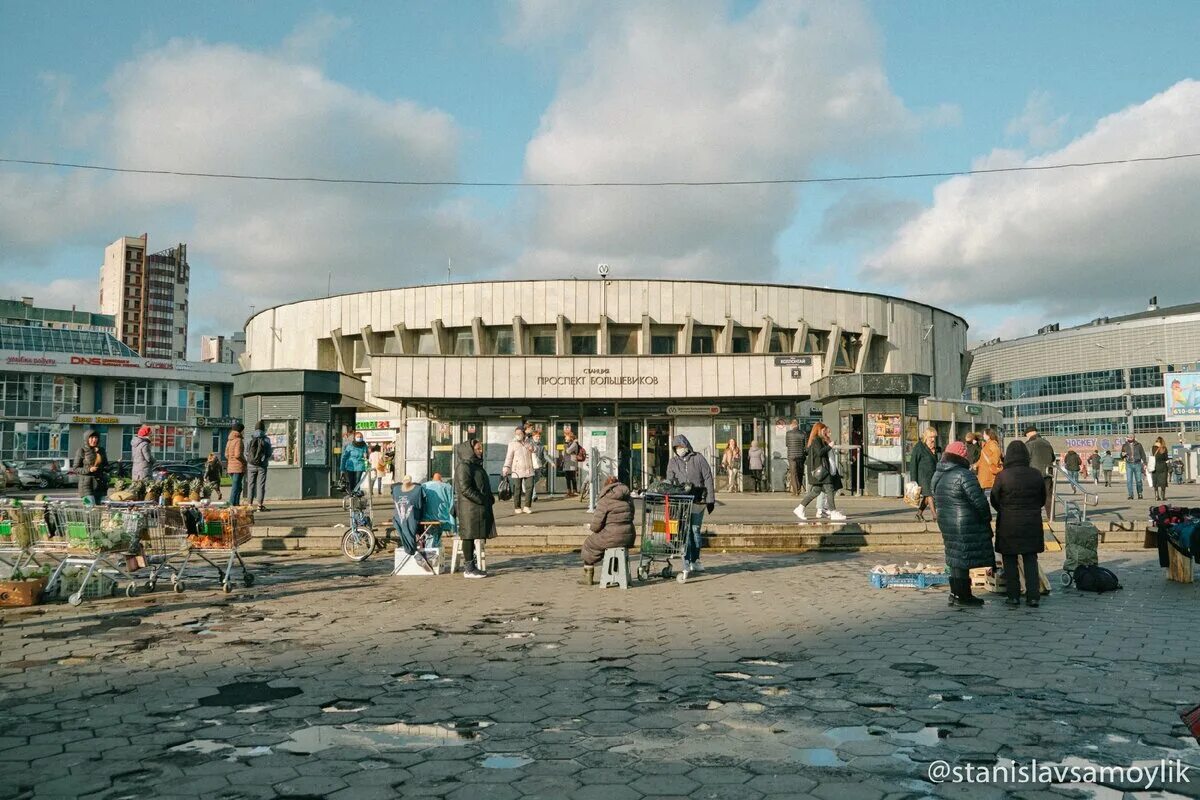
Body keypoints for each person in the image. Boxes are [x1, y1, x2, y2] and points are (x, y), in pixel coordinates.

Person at [932, 440, 993, 607]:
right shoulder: (963, 474)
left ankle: (955, 594)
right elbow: (979, 501)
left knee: (954, 557)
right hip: (963, 523)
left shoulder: (938, 473)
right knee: (963, 557)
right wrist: (986, 518)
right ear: (962, 456)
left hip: (946, 521)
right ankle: (964, 596)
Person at [991, 440, 1047, 608]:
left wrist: (1004, 508)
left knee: (1009, 560)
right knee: (1030, 559)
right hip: (1031, 522)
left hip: (1009, 523)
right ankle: (1033, 596)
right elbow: (1042, 499)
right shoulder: (1036, 474)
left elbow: (994, 499)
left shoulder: (1003, 475)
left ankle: (1013, 596)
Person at [666, 435, 716, 574]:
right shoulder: (673, 462)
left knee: (695, 530)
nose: (679, 450)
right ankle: (686, 560)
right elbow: (670, 479)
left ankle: (696, 559)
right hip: (682, 501)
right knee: (685, 532)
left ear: (686, 445)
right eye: (676, 448)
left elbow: (707, 477)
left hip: (697, 501)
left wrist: (710, 499)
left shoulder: (698, 458)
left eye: (680, 447)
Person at [580, 477, 637, 585]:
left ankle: (588, 576)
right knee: (613, 547)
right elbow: (632, 516)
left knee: (589, 544)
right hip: (628, 535)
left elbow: (596, 526)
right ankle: (615, 573)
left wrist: (592, 528)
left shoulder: (605, 500)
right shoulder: (628, 498)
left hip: (611, 535)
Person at [453, 440, 495, 578]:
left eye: (481, 448)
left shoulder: (476, 465)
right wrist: (481, 499)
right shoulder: (463, 466)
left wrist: (489, 498)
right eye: (477, 448)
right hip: (469, 508)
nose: (480, 450)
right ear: (470, 450)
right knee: (468, 536)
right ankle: (469, 568)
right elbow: (465, 488)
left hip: (477, 508)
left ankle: (473, 564)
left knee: (475, 535)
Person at [794, 422, 847, 522]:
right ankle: (833, 512)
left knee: (816, 491)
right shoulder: (816, 440)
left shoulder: (816, 440)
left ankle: (800, 508)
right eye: (823, 430)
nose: (825, 431)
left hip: (819, 470)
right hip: (821, 470)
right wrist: (830, 446)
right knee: (829, 489)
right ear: (818, 430)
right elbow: (820, 452)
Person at [391, 475, 430, 570]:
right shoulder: (396, 490)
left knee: (415, 534)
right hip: (400, 520)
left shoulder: (418, 489)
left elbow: (422, 505)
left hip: (414, 519)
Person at [1024, 426, 1056, 522]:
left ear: (1029, 434)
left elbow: (1025, 459)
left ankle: (1035, 517)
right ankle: (1051, 517)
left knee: (1033, 496)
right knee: (1048, 496)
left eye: (1026, 435)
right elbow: (1053, 458)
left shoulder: (1029, 444)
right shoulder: (1047, 443)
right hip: (1048, 474)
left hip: (1034, 474)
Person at [502, 426, 536, 514]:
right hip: (517, 469)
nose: (518, 435)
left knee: (530, 487)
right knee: (517, 488)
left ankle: (527, 506)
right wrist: (506, 467)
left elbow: (536, 449)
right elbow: (509, 457)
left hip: (528, 468)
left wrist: (532, 448)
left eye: (520, 433)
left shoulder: (529, 441)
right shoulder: (512, 444)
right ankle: (517, 507)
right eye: (516, 434)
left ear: (524, 434)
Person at [909, 427, 939, 522]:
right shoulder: (919, 447)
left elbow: (935, 462)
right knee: (929, 495)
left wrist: (934, 453)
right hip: (922, 476)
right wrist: (913, 480)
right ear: (926, 436)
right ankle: (935, 516)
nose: (933, 439)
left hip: (932, 476)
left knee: (927, 497)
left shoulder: (934, 448)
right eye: (931, 437)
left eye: (934, 437)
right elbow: (913, 463)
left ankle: (919, 514)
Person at [420, 472, 456, 550]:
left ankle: (432, 551)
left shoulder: (424, 486)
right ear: (441, 478)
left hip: (427, 516)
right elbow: (451, 504)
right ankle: (432, 551)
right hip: (442, 516)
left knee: (431, 534)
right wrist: (452, 523)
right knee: (436, 534)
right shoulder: (447, 487)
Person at [244, 420, 273, 511]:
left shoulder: (250, 439)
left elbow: (246, 453)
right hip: (262, 466)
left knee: (250, 485)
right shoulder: (266, 439)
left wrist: (250, 461)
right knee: (261, 485)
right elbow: (269, 453)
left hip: (251, 465)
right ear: (263, 429)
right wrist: (264, 460)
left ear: (255, 429)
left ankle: (249, 505)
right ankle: (259, 506)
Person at [74, 430, 109, 504]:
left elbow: (106, 465)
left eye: (96, 437)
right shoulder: (81, 450)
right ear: (87, 439)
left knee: (101, 510)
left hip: (100, 485)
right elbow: (76, 468)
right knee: (90, 508)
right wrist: (89, 469)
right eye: (92, 437)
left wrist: (107, 469)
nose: (94, 439)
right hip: (86, 486)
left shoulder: (101, 450)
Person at [974, 428, 1003, 501]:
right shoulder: (987, 444)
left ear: (988, 435)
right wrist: (976, 465)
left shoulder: (992, 443)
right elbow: (982, 457)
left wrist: (991, 462)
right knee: (983, 487)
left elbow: (996, 454)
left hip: (988, 470)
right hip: (984, 470)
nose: (983, 435)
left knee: (985, 487)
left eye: (984, 434)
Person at [225, 423, 246, 506]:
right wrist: (244, 461)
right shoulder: (238, 440)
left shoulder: (229, 441)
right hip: (238, 467)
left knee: (238, 486)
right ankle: (232, 504)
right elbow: (238, 455)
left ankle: (236, 504)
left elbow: (226, 455)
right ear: (240, 430)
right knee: (236, 486)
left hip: (230, 466)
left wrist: (231, 460)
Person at [1121, 435, 1147, 501]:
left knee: (1138, 480)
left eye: (1131, 437)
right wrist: (1122, 455)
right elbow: (1121, 455)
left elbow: (1143, 454)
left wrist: (1145, 463)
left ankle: (1140, 493)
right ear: (1127, 438)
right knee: (1129, 480)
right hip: (1129, 464)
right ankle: (1130, 495)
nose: (1130, 438)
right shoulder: (1124, 445)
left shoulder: (1138, 445)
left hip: (1137, 463)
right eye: (1129, 437)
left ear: (1134, 438)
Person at [785, 419, 806, 495]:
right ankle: (799, 488)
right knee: (800, 472)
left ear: (792, 425)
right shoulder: (803, 433)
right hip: (800, 455)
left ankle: (795, 491)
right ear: (798, 425)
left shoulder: (788, 433)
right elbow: (804, 445)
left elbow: (787, 444)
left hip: (791, 456)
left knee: (793, 473)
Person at [529, 430, 549, 501]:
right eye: (536, 436)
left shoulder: (541, 445)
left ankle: (527, 489)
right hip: (530, 465)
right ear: (533, 437)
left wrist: (551, 462)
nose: (538, 437)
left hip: (538, 465)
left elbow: (545, 456)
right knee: (532, 480)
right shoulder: (529, 443)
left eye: (539, 436)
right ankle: (534, 495)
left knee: (536, 479)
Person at [562, 431, 581, 498]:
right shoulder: (568, 444)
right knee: (567, 478)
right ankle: (569, 491)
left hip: (572, 463)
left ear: (570, 437)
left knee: (572, 477)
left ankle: (575, 491)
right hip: (567, 463)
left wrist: (566, 445)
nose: (565, 437)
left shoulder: (574, 444)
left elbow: (568, 451)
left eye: (566, 436)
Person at [1151, 436, 1170, 502]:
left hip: (1154, 466)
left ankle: (1156, 496)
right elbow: (1166, 458)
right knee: (1163, 482)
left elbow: (1153, 456)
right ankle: (1163, 496)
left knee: (1155, 481)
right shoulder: (1164, 448)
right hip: (1162, 466)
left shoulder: (1153, 448)